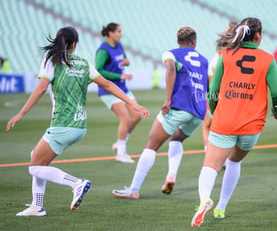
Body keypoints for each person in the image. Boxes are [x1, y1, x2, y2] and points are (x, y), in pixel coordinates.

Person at [5, 27, 149, 217]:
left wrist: (21, 113)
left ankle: (76, 183)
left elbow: (41, 89)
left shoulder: (52, 61)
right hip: (79, 126)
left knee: (34, 167)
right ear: (74, 44)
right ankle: (37, 205)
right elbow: (107, 84)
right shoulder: (83, 63)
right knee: (38, 158)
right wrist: (132, 103)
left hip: (62, 125)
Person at [191, 17, 277, 227]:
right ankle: (221, 206)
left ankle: (205, 199)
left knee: (210, 166)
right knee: (234, 161)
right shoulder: (268, 60)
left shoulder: (225, 55)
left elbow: (213, 91)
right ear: (258, 35)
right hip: (252, 127)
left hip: (225, 122)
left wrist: (216, 113)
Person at [112, 26, 208, 199]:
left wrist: (168, 99)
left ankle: (134, 189)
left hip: (180, 107)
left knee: (151, 145)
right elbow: (207, 82)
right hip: (198, 111)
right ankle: (171, 175)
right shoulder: (203, 59)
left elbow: (170, 68)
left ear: (178, 41)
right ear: (194, 41)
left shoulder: (171, 54)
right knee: (177, 138)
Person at [96, 22, 142, 163]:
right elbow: (99, 70)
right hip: (109, 90)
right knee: (125, 117)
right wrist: (119, 76)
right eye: (118, 32)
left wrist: (126, 62)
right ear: (110, 33)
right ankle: (121, 152)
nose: (121, 34)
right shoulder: (103, 50)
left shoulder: (119, 46)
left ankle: (119, 143)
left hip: (122, 88)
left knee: (137, 115)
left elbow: (123, 60)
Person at [202, 21, 237, 151]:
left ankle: (209, 153)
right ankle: (229, 159)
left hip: (220, 97)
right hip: (236, 98)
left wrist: (212, 98)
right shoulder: (240, 54)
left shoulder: (220, 56)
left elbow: (212, 84)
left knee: (207, 125)